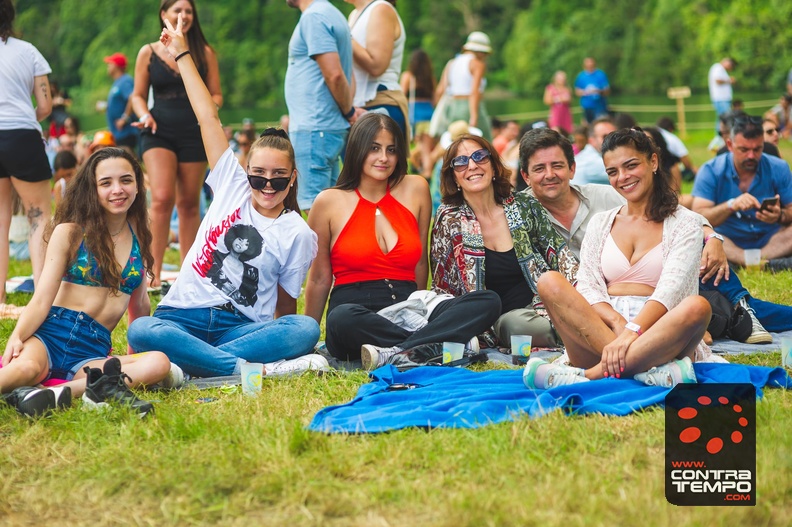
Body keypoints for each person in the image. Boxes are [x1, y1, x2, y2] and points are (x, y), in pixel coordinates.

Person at [128, 14, 324, 378]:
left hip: (240, 327)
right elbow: (207, 118)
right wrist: (183, 54)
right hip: (181, 317)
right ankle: (243, 369)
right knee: (142, 329)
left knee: (305, 328)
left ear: (293, 179)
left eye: (279, 178)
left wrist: (287, 337)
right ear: (245, 172)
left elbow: (286, 309)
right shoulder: (231, 183)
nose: (267, 185)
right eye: (259, 175)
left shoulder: (297, 231)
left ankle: (196, 362)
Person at [521, 127, 785, 345]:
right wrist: (619, 322)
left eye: (556, 165)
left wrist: (712, 237)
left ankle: (742, 308)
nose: (550, 175)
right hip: (599, 303)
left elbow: (678, 215)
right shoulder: (519, 214)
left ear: (572, 169)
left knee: (705, 291)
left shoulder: (607, 195)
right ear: (525, 175)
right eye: (539, 169)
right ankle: (730, 317)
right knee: (708, 309)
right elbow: (584, 283)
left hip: (661, 286)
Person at [305, 113, 499, 368]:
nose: (384, 158)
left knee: (488, 301)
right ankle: (433, 346)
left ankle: (400, 351)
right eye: (374, 148)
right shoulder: (328, 201)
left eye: (391, 149)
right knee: (341, 319)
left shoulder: (416, 188)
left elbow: (420, 264)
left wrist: (418, 308)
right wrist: (306, 344)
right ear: (357, 149)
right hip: (357, 313)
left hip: (409, 308)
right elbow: (319, 277)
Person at [524, 128, 712, 390]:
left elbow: (672, 289)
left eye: (631, 165)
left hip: (658, 331)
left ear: (654, 162)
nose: (623, 177)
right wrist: (617, 324)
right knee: (549, 282)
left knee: (697, 307)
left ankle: (587, 377)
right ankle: (645, 372)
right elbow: (587, 283)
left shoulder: (685, 223)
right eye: (613, 172)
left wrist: (633, 331)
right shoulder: (602, 222)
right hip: (602, 331)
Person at [0, 147, 171, 417]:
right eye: (106, 183)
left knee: (159, 363)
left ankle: (54, 393)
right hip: (50, 336)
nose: (118, 189)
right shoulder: (70, 232)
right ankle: (78, 387)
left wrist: (132, 358)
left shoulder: (139, 232)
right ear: (92, 189)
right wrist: (17, 337)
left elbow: (139, 305)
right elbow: (42, 298)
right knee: (25, 369)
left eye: (126, 180)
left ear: (138, 185)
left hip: (91, 352)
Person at [430, 134, 578, 350]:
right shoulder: (450, 219)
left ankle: (578, 326)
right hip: (502, 321)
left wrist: (584, 290)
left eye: (479, 156)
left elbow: (560, 254)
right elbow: (442, 286)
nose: (471, 165)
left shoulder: (522, 204)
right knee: (519, 327)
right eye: (460, 162)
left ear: (493, 166)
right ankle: (582, 332)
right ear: (453, 177)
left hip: (546, 303)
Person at [130, 0, 223, 288]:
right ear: (164, 14)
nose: (183, 15)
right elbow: (137, 95)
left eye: (188, 11)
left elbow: (217, 95)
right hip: (158, 130)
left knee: (189, 204)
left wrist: (209, 114)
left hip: (194, 132)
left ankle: (189, 276)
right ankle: (152, 275)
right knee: (160, 198)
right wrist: (144, 115)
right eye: (177, 10)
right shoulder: (148, 52)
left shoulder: (205, 53)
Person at [0, 0, 53, 305]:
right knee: (39, 217)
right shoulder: (28, 50)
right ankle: (41, 299)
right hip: (21, 134)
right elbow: (44, 106)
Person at [692, 115, 792, 271]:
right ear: (730, 145)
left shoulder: (779, 167)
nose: (751, 156)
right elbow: (698, 218)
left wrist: (780, 215)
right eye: (744, 150)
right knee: (699, 234)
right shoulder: (710, 170)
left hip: (771, 240)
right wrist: (731, 205)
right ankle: (764, 263)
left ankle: (748, 262)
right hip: (729, 241)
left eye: (757, 149)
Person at [286, 0, 355, 212]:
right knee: (332, 210)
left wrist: (350, 112)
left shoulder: (314, 16)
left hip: (314, 129)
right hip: (323, 128)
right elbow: (348, 73)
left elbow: (335, 74)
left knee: (316, 211)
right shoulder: (331, 13)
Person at [346, 0, 409, 140]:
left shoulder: (381, 9)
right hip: (358, 110)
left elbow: (376, 65)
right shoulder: (354, 14)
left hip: (380, 106)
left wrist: (344, 35)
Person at [432, 31, 493, 140]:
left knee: (455, 142)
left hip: (452, 107)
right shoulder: (477, 64)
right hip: (469, 107)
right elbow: (474, 92)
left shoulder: (452, 63)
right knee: (485, 141)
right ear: (480, 51)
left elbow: (440, 90)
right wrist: (474, 116)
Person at [401, 48, 437, 179]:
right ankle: (426, 172)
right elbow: (435, 99)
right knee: (425, 147)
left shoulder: (408, 77)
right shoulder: (430, 79)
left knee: (415, 146)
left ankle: (420, 171)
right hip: (429, 115)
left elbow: (401, 96)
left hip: (414, 115)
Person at [103, 52, 139, 154]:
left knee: (130, 159)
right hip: (119, 133)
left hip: (126, 132)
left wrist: (124, 118)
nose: (108, 66)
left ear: (116, 66)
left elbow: (133, 97)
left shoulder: (125, 80)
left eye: (110, 64)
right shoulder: (117, 82)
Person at [573, 116, 616, 185]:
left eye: (614, 136)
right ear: (591, 140)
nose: (611, 140)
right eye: (605, 136)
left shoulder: (586, 156)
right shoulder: (592, 162)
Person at [574, 57, 610, 124]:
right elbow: (577, 91)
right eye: (588, 65)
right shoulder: (581, 76)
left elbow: (607, 91)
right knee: (588, 125)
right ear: (584, 66)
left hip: (600, 106)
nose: (590, 66)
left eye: (591, 65)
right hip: (587, 106)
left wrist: (599, 91)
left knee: (600, 123)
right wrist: (584, 92)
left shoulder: (601, 74)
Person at [708, 57, 736, 133]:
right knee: (725, 118)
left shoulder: (720, 69)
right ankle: (720, 137)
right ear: (728, 62)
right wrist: (729, 80)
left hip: (722, 99)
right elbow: (717, 80)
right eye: (730, 66)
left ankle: (719, 137)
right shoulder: (718, 68)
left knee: (722, 119)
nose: (730, 68)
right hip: (721, 99)